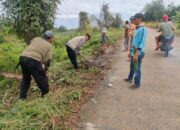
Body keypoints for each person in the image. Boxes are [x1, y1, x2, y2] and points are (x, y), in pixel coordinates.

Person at [19, 30, 54, 99]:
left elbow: (31, 43)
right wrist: (46, 69)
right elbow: (47, 60)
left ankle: (22, 98)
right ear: (50, 38)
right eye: (52, 38)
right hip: (32, 60)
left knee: (26, 79)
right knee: (42, 78)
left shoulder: (36, 39)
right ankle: (45, 95)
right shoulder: (49, 46)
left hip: (22, 57)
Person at [124, 13, 147, 89]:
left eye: (134, 19)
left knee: (137, 69)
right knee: (132, 66)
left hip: (138, 53)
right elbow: (135, 42)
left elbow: (141, 42)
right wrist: (131, 52)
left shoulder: (143, 29)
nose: (133, 20)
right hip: (134, 52)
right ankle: (130, 78)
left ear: (139, 19)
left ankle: (137, 84)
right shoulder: (138, 28)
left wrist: (136, 54)